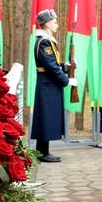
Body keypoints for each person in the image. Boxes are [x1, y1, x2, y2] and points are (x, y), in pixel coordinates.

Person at [31, 9, 68, 163]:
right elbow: (50, 67)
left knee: (46, 117)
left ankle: (43, 151)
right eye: (54, 22)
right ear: (46, 23)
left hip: (49, 83)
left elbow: (53, 63)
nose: (57, 25)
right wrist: (65, 80)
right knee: (45, 118)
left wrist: (64, 66)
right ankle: (42, 152)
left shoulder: (47, 40)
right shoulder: (44, 42)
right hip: (47, 84)